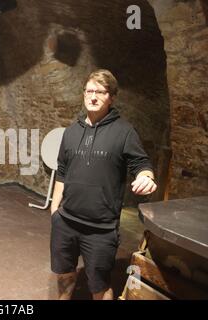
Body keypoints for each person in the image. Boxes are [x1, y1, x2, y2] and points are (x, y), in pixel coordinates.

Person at [50, 69, 157, 300]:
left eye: (100, 91)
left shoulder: (124, 132)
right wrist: (54, 209)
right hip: (66, 222)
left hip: (100, 229)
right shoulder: (71, 131)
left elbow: (141, 163)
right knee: (64, 274)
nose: (93, 96)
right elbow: (62, 170)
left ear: (112, 97)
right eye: (89, 91)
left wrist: (146, 177)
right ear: (83, 94)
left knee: (99, 286)